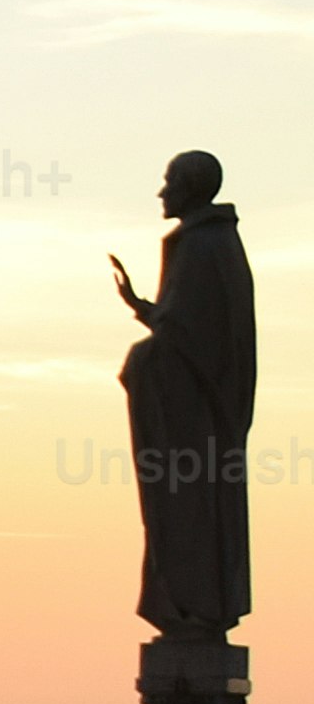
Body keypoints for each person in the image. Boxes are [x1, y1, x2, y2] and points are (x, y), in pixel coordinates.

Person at [115, 149, 253, 638]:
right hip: (193, 419)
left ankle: (193, 604)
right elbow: (191, 328)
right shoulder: (209, 243)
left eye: (169, 181)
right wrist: (142, 308)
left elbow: (191, 337)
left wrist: (146, 352)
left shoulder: (203, 246)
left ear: (191, 188)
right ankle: (189, 603)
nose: (162, 191)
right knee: (186, 508)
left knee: (190, 510)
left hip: (193, 423)